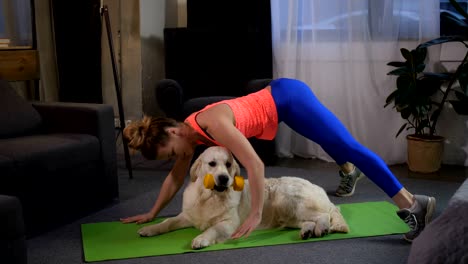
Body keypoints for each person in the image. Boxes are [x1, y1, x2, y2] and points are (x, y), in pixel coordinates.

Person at [121, 78, 436, 242]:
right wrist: (151, 213)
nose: (179, 158)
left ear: (174, 131)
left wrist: (255, 213)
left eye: (173, 153)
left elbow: (255, 166)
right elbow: (175, 178)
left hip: (289, 99)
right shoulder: (189, 136)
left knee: (349, 146)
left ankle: (413, 206)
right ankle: (350, 173)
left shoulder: (212, 124)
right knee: (334, 143)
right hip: (281, 103)